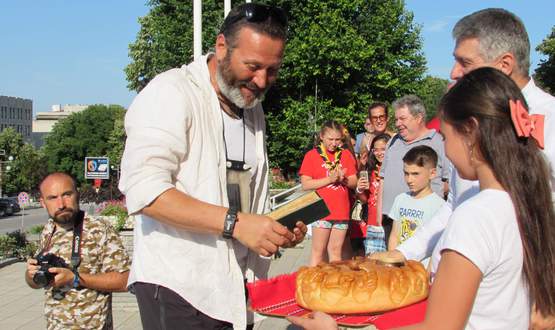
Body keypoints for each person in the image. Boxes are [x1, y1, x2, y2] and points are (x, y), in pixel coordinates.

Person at [289, 67, 555, 330]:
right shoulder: (523, 202)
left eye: (446, 136)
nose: (445, 150)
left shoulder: (475, 215)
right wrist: (400, 252)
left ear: (470, 133)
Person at [118, 3, 306, 329]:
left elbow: (241, 193)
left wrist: (272, 230)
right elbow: (143, 191)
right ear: (221, 47)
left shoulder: (250, 105)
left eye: (272, 70)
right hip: (179, 289)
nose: (261, 81)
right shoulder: (170, 93)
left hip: (233, 289)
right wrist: (237, 224)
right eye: (253, 66)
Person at [373, 8, 555, 329]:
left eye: (465, 62)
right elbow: (456, 206)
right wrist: (405, 252)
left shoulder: (548, 122)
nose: (454, 72)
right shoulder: (472, 130)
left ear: (504, 65)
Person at [25, 172, 130, 329]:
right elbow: (35, 283)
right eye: (52, 198)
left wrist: (75, 279)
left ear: (77, 194)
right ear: (43, 202)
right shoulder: (48, 229)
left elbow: (125, 281)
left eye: (67, 194)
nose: (61, 204)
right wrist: (31, 275)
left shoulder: (99, 228)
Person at [379, 95, 449, 245]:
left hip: (424, 219)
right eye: (396, 119)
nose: (397, 124)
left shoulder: (439, 142)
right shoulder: (393, 141)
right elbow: (383, 178)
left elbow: (448, 182)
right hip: (391, 217)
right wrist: (380, 212)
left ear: (419, 118)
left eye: (402, 119)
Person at [299, 120, 357, 266]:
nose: (334, 143)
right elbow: (306, 184)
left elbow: (354, 182)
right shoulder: (312, 155)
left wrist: (343, 179)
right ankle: (311, 286)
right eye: (330, 139)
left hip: (341, 211)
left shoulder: (345, 155)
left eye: (338, 139)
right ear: (321, 137)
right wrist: (330, 179)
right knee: (318, 252)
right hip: (321, 211)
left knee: (336, 252)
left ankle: (334, 286)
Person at [387, 146, 445, 256]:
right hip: (399, 265)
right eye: (406, 173)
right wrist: (392, 259)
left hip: (421, 268)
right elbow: (394, 235)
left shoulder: (440, 206)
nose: (409, 180)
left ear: (432, 173)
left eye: (415, 174)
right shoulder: (400, 199)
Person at [353, 133, 391, 255]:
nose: (379, 153)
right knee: (373, 263)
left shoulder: (396, 170)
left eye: (383, 149)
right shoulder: (369, 170)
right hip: (372, 223)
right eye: (376, 150)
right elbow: (365, 199)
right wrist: (359, 190)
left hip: (390, 223)